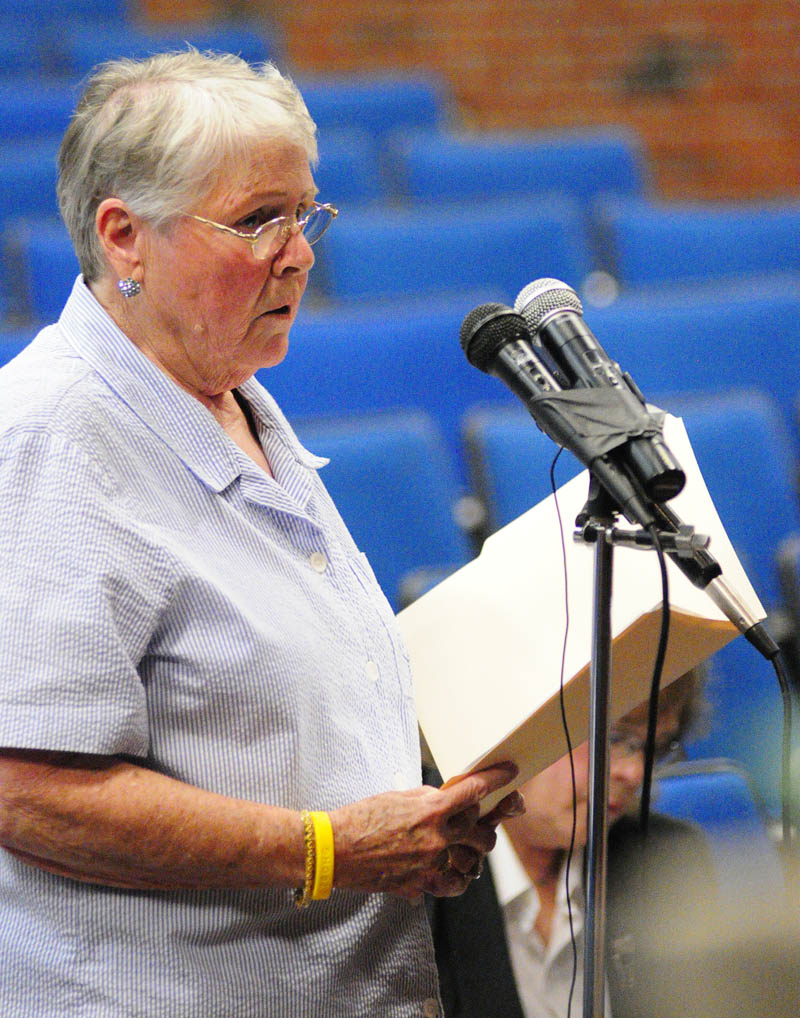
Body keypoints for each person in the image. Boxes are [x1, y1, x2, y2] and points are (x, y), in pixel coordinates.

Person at [0, 51, 523, 1018]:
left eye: (306, 213)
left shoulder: (228, 391)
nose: (300, 252)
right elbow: (25, 790)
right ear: (125, 237)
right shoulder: (45, 437)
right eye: (257, 221)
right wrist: (328, 851)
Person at [427, 668, 716, 1018]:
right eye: (614, 737)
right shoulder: (419, 876)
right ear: (519, 723)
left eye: (653, 748)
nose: (635, 772)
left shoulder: (666, 862)